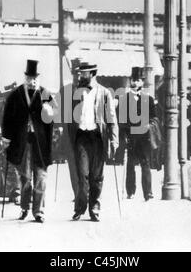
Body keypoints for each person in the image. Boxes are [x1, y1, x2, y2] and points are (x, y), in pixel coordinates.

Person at [1, 60, 56, 223]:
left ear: (39, 78)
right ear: (25, 78)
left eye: (35, 78)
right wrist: (6, 138)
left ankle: (38, 211)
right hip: (22, 142)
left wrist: (50, 113)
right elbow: (7, 119)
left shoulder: (46, 94)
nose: (33, 81)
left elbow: (56, 116)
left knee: (41, 177)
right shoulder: (15, 95)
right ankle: (25, 207)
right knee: (25, 177)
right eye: (30, 78)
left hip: (40, 143)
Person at [71, 62, 119, 222]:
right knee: (82, 174)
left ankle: (94, 209)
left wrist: (114, 140)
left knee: (96, 177)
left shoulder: (105, 93)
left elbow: (112, 118)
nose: (80, 76)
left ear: (92, 74)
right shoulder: (76, 92)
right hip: (82, 138)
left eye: (83, 73)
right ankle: (80, 208)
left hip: (98, 138)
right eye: (79, 73)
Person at [120, 67, 158, 201]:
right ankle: (130, 191)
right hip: (131, 136)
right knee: (130, 164)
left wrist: (149, 125)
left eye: (138, 80)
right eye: (133, 80)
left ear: (142, 82)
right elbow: (122, 120)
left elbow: (154, 117)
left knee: (145, 163)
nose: (135, 83)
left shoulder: (149, 99)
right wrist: (124, 136)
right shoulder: (124, 99)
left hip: (144, 137)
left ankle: (148, 192)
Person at [56, 58, 82, 201]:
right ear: (72, 74)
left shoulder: (89, 91)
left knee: (85, 165)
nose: (78, 77)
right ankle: (78, 193)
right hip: (69, 134)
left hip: (85, 133)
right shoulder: (64, 91)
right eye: (75, 74)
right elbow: (58, 111)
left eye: (80, 74)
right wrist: (59, 127)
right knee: (72, 164)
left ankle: (84, 191)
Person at [0, 82, 22, 204]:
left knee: (20, 165)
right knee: (8, 166)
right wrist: (0, 136)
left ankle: (21, 191)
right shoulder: (1, 105)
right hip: (6, 138)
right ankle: (14, 191)